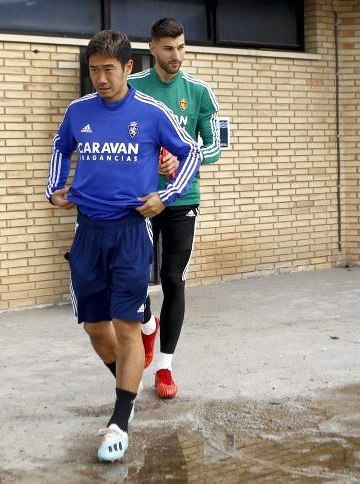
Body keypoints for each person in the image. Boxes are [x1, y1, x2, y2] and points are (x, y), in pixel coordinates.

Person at [46, 30, 201, 462]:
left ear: (128, 68)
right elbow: (61, 148)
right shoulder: (78, 112)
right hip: (88, 232)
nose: (99, 78)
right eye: (93, 70)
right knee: (96, 329)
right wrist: (53, 189)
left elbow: (190, 152)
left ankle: (120, 418)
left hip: (131, 231)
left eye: (107, 69)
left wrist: (165, 196)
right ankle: (128, 386)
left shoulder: (151, 112)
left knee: (126, 327)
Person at [127, 18, 222, 400]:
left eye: (181, 47)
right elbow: (120, 143)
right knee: (133, 278)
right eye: (168, 48)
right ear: (151, 48)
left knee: (173, 279)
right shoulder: (132, 89)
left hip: (183, 199)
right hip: (140, 201)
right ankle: (148, 326)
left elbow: (215, 147)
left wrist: (185, 163)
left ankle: (165, 367)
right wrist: (151, 163)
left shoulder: (199, 92)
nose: (176, 56)